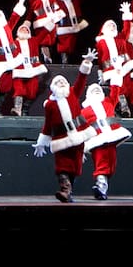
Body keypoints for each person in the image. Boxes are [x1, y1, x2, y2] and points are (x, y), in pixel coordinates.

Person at [32, 50, 97, 203]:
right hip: (61, 139)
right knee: (62, 167)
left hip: (79, 136)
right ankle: (64, 189)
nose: (61, 84)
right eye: (57, 82)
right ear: (53, 87)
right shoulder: (50, 105)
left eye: (63, 82)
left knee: (74, 168)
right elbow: (48, 125)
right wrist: (42, 142)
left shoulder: (73, 94)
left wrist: (87, 63)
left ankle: (68, 192)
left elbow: (81, 79)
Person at [80, 80, 133, 200]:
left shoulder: (108, 102)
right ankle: (100, 184)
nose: (97, 91)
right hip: (97, 142)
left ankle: (103, 186)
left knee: (111, 165)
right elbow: (78, 130)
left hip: (112, 137)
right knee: (101, 163)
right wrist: (80, 148)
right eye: (94, 90)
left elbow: (115, 91)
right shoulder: (83, 112)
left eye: (99, 89)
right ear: (88, 95)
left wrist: (115, 75)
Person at [28, 0, 69, 64]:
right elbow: (30, 13)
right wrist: (27, 22)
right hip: (41, 23)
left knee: (53, 39)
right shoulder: (33, 0)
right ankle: (46, 57)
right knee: (44, 41)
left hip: (54, 18)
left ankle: (60, 58)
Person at [94, 16, 132, 114]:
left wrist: (127, 16)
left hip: (122, 66)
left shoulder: (119, 39)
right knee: (116, 86)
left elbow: (127, 30)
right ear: (104, 29)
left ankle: (123, 108)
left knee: (122, 86)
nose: (112, 26)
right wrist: (100, 71)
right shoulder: (101, 42)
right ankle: (120, 107)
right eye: (109, 25)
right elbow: (100, 58)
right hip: (109, 69)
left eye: (114, 25)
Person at [53, 0, 93, 65]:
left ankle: (79, 63)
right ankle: (64, 63)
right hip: (64, 28)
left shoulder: (75, 1)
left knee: (75, 47)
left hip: (76, 27)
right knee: (64, 47)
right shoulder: (58, 3)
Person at [10, 19, 48, 117]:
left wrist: (51, 22)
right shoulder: (13, 44)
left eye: (26, 30)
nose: (24, 31)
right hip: (18, 70)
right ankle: (17, 109)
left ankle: (25, 110)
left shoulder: (33, 41)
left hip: (32, 70)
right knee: (19, 89)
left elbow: (44, 33)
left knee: (32, 91)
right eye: (22, 30)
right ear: (18, 33)